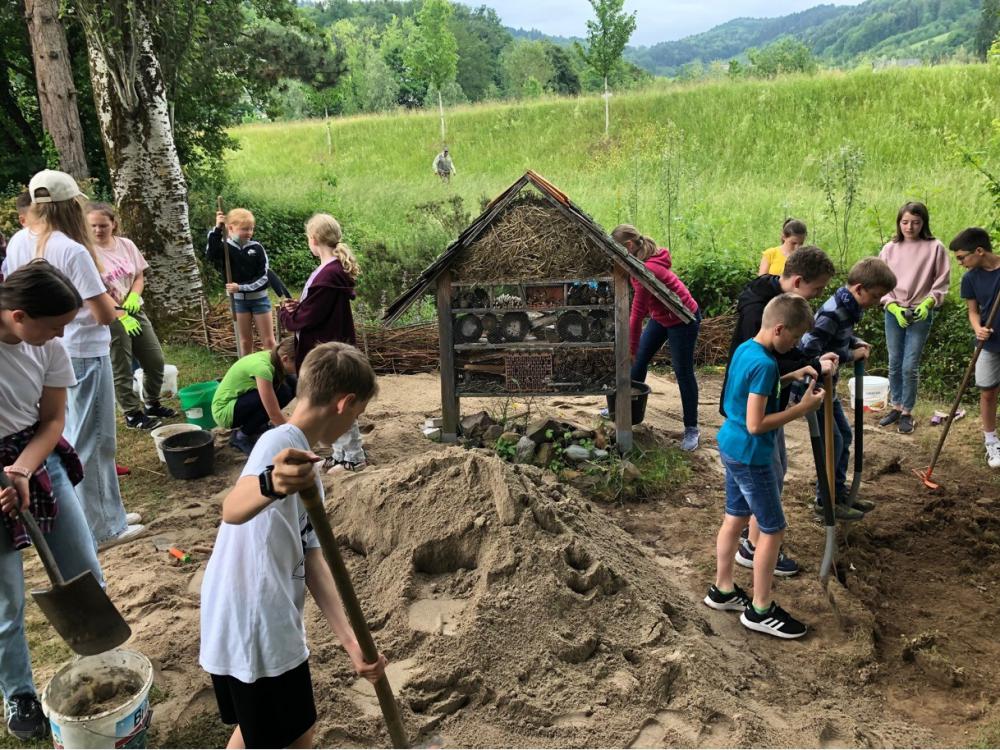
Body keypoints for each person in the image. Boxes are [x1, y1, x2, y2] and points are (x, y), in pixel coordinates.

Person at [199, 342, 387, 750]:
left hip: (245, 618)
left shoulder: (304, 464)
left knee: (261, 732)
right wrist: (272, 483)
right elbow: (231, 509)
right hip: (257, 629)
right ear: (345, 403)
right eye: (358, 415)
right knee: (296, 736)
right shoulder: (279, 445)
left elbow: (314, 558)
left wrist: (352, 644)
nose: (355, 423)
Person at [4, 170, 143, 550]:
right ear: (72, 206)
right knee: (95, 439)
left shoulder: (20, 239)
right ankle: (103, 527)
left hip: (50, 353)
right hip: (83, 348)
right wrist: (119, 307)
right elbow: (100, 313)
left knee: (78, 436)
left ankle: (107, 511)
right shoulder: (72, 248)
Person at [0, 261, 104, 740]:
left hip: (36, 457)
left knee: (83, 568)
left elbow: (53, 420)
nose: (61, 335)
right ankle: (19, 693)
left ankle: (100, 660)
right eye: (54, 327)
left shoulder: (47, 348)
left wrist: (22, 467)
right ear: (18, 316)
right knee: (7, 600)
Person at [704, 294, 824, 639]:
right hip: (752, 455)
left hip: (731, 444)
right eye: (795, 338)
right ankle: (760, 609)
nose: (796, 344)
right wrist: (802, 409)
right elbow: (757, 423)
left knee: (735, 517)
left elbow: (752, 393)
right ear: (780, 329)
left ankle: (723, 589)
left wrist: (793, 375)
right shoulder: (766, 364)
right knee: (772, 529)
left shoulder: (747, 349)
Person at [721, 246, 840, 576]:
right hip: (750, 431)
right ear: (799, 281)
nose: (817, 296)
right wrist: (803, 401)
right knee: (769, 500)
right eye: (815, 290)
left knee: (754, 494)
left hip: (741, 429)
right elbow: (756, 408)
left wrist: (800, 369)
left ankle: (731, 576)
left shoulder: (770, 320)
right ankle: (758, 568)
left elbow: (767, 364)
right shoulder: (759, 318)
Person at [798, 257, 897, 517]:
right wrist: (851, 355)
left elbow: (839, 337)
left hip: (829, 389)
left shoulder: (848, 307)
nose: (876, 303)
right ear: (859, 288)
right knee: (834, 442)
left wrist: (855, 340)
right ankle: (825, 501)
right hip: (815, 389)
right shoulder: (833, 312)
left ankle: (838, 493)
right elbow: (811, 350)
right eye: (875, 297)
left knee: (844, 437)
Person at [280, 214, 365, 473]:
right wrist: (300, 306)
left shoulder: (327, 274)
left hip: (328, 352)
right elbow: (314, 307)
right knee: (332, 403)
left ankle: (353, 457)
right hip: (332, 348)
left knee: (338, 404)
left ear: (313, 240)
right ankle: (340, 454)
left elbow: (309, 317)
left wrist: (287, 313)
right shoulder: (331, 271)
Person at [611, 224, 701, 451]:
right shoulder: (637, 262)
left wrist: (630, 348)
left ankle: (691, 429)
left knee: (683, 371)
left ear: (629, 246)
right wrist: (635, 353)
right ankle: (625, 408)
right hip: (662, 316)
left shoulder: (647, 272)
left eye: (618, 249)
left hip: (683, 318)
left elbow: (636, 315)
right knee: (640, 362)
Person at [88, 202, 176, 430]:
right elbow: (93, 289)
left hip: (135, 309)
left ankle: (152, 402)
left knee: (154, 360)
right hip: (111, 315)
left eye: (103, 225)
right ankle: (131, 413)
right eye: (93, 226)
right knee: (121, 365)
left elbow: (138, 275)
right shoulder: (87, 252)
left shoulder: (126, 245)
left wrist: (134, 297)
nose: (98, 230)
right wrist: (118, 312)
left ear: (113, 224)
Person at [877, 202, 951, 434]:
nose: (910, 227)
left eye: (916, 222)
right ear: (899, 223)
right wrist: (892, 307)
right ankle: (896, 406)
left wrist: (929, 302)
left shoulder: (935, 247)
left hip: (920, 312)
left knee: (910, 365)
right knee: (894, 362)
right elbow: (879, 281)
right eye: (905, 222)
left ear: (923, 223)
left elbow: (941, 281)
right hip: (894, 312)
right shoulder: (889, 248)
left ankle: (908, 411)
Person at [951, 227, 1000, 469]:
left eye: (962, 257)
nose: (961, 263)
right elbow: (973, 312)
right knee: (988, 392)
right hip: (989, 342)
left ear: (979, 251)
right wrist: (977, 328)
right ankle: (991, 440)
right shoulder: (970, 278)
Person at [205, 208, 277, 357]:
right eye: (244, 229)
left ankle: (275, 371)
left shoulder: (257, 248)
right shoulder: (225, 248)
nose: (249, 232)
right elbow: (210, 254)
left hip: (259, 300)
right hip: (238, 303)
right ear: (230, 228)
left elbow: (264, 276)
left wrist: (241, 287)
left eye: (251, 229)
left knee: (269, 341)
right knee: (244, 342)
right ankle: (247, 373)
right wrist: (218, 228)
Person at [212, 337, 297, 456]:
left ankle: (257, 426)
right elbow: (274, 414)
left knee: (290, 384)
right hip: (225, 412)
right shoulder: (263, 369)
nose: (300, 368)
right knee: (273, 399)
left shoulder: (274, 357)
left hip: (242, 401)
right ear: (285, 359)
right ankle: (241, 437)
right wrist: (294, 435)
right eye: (299, 364)